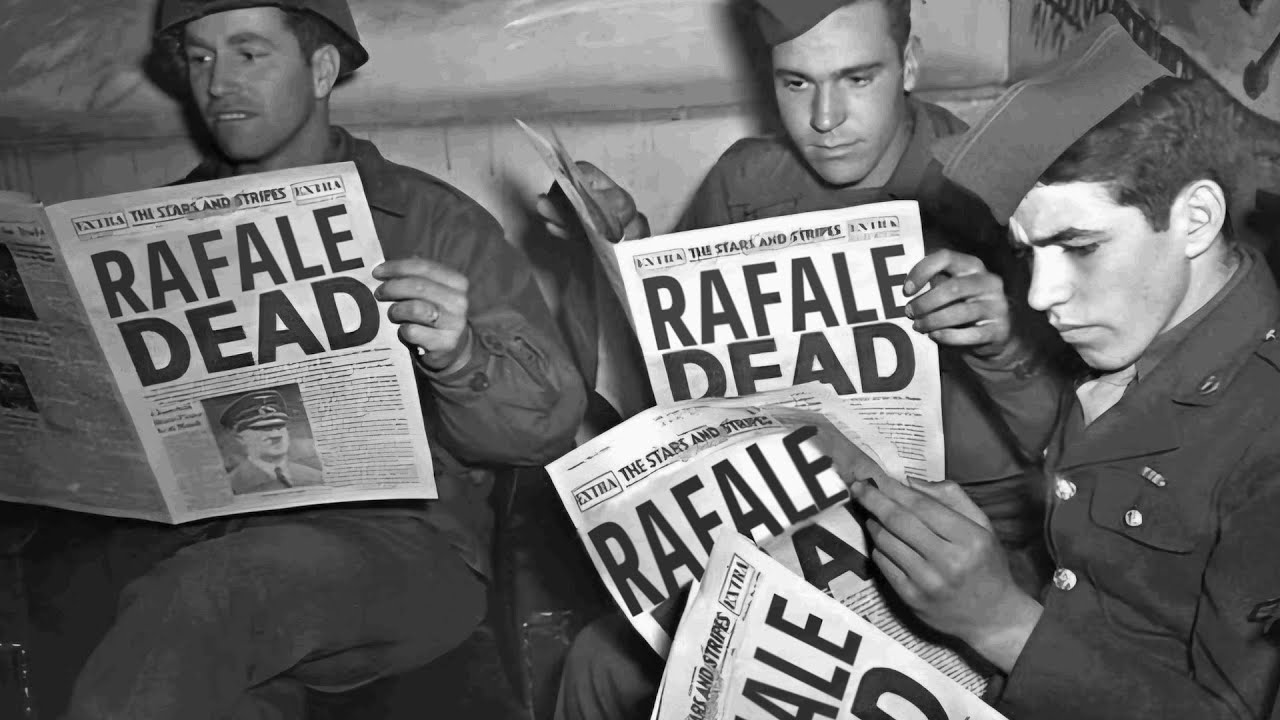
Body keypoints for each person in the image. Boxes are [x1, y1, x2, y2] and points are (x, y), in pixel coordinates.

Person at [541, 1, 1066, 718]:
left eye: (857, 78)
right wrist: (628, 247)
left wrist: (1008, 344)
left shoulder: (1002, 189)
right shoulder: (747, 181)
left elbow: (1084, 442)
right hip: (796, 513)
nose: (825, 119)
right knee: (600, 663)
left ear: (909, 65)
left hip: (976, 541)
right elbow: (687, 378)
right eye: (796, 83)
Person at [62, 1, 586, 718]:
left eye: (249, 54)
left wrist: (459, 356)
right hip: (205, 550)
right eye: (200, 58)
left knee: (208, 594)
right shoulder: (144, 236)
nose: (217, 83)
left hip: (400, 551)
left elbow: (547, 430)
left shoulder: (430, 221)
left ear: (321, 69)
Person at [849, 15, 1280, 719]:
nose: (1040, 295)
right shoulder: (1150, 325)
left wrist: (999, 624)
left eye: (1079, 246)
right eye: (1029, 253)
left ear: (1197, 218)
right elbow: (1090, 485)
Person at [219, 390, 324, 495]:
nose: (275, 435)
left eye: (279, 426)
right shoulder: (231, 486)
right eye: (263, 428)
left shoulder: (316, 476)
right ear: (240, 438)